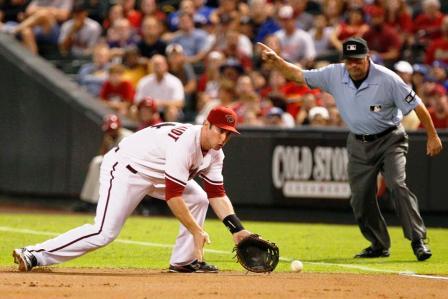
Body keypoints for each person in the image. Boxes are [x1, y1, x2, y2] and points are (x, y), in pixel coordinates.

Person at [258, 37, 443, 261]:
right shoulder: (335, 73)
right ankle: (378, 244)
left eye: (357, 60)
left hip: (390, 139)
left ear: (367, 57)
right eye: (349, 61)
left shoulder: (388, 79)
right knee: (360, 197)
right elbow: (298, 75)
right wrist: (276, 61)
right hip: (358, 142)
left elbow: (418, 106)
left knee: (396, 184)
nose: (353, 65)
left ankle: (418, 240)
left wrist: (432, 136)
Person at [13, 106, 252, 272]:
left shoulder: (215, 153)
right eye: (220, 130)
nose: (224, 137)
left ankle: (184, 261)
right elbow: (173, 197)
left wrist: (237, 230)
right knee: (104, 232)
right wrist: (196, 231)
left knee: (199, 197)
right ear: (207, 124)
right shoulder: (185, 145)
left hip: (156, 173)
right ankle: (34, 253)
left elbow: (217, 194)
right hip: (126, 169)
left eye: (228, 133)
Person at [76, 114, 133, 211]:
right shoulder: (109, 137)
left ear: (119, 127)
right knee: (96, 161)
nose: (111, 132)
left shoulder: (127, 137)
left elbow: (126, 158)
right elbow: (103, 154)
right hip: (116, 166)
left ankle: (96, 202)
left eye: (113, 129)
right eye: (109, 130)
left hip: (131, 168)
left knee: (102, 165)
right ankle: (88, 200)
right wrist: (106, 143)